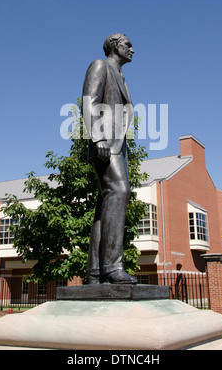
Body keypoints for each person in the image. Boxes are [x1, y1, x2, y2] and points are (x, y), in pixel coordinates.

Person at [82, 33, 137, 284]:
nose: (133, 49)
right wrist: (98, 137)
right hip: (104, 144)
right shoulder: (100, 66)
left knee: (105, 204)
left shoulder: (121, 77)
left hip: (118, 147)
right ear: (115, 46)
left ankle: (95, 271)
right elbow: (89, 101)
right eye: (128, 44)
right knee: (119, 192)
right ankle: (112, 267)